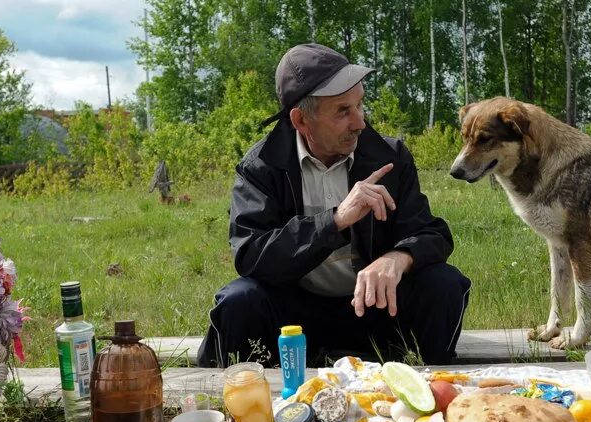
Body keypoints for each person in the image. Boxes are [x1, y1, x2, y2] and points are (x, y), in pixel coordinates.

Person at [196, 43, 471, 368]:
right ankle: (261, 403)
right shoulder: (262, 166)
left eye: (360, 105)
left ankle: (428, 392)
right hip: (294, 319)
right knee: (239, 300)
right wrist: (337, 219)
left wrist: (398, 258)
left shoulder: (388, 157)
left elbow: (431, 233)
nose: (360, 122)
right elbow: (252, 256)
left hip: (376, 308)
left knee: (445, 284)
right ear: (301, 120)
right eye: (343, 111)